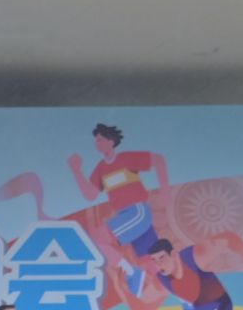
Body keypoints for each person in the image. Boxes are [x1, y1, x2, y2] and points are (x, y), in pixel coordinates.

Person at [69, 122, 169, 292]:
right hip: (126, 217)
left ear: (111, 141)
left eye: (100, 139)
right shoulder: (101, 168)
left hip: (137, 213)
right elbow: (90, 194)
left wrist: (165, 191)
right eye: (96, 140)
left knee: (95, 240)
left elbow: (158, 160)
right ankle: (162, 289)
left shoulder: (126, 158)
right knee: (152, 265)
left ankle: (131, 272)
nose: (96, 143)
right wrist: (76, 170)